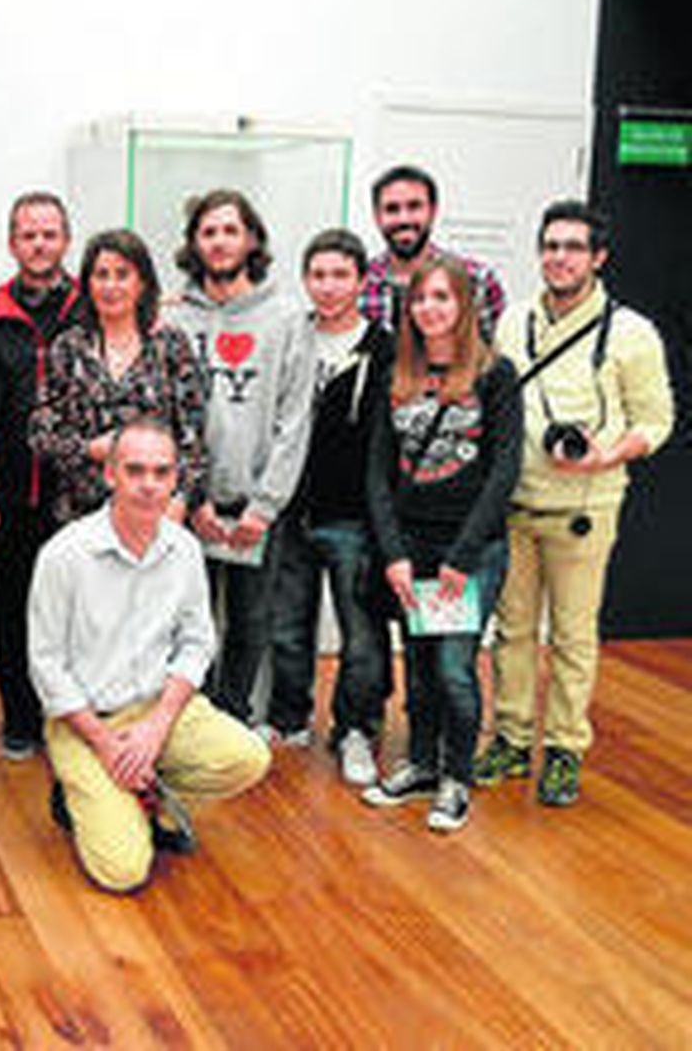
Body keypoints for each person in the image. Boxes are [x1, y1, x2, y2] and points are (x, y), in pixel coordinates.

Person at [477, 201, 674, 805]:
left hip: (584, 509)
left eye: (572, 247)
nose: (559, 257)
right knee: (510, 631)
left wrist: (605, 456)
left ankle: (563, 749)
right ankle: (510, 737)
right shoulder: (513, 321)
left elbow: (656, 419)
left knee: (572, 636)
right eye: (550, 246)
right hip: (516, 503)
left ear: (598, 257)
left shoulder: (631, 333)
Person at [27, 419, 269, 893]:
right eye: (134, 471)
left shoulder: (183, 550)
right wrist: (104, 742)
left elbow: (197, 643)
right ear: (109, 476)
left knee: (249, 758)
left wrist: (156, 728)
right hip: (88, 722)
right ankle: (82, 790)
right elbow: (47, 665)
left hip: (161, 711)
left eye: (162, 472)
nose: (149, 485)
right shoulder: (65, 555)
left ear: (177, 479)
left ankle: (144, 791)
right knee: (123, 872)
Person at [362, 257, 522, 833]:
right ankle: (422, 764)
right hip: (411, 547)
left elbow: (505, 470)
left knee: (455, 666)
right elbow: (378, 475)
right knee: (421, 666)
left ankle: (457, 775)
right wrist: (394, 554)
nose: (430, 308)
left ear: (464, 305)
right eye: (420, 299)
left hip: (470, 551)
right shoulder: (397, 376)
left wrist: (460, 558)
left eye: (441, 297)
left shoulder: (494, 375)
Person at [167, 189, 316, 725]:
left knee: (252, 621)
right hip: (192, 506)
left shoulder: (286, 319)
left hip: (258, 508)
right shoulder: (177, 321)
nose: (220, 241)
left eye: (231, 230)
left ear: (251, 239)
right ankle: (191, 722)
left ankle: (231, 718)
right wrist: (194, 496)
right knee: (189, 620)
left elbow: (294, 420)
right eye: (208, 231)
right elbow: (171, 417)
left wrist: (264, 506)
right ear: (194, 243)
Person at [264, 229, 395, 784]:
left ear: (361, 280)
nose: (328, 285)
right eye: (317, 274)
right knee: (288, 629)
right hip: (293, 510)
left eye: (340, 274)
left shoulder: (384, 347)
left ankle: (355, 731)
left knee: (361, 636)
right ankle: (289, 719)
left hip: (355, 518)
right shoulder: (292, 338)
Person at [0, 191, 81, 759]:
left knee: (79, 615)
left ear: (65, 240)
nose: (39, 244)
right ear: (13, 243)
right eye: (28, 234)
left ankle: (77, 722)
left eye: (49, 233)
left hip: (79, 496)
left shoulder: (92, 305)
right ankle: (20, 721)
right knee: (12, 610)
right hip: (9, 494)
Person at [28, 228, 208, 527]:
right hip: (81, 518)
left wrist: (181, 500)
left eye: (122, 275)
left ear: (142, 283)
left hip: (157, 517)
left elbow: (194, 439)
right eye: (101, 275)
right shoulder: (68, 347)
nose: (111, 286)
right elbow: (40, 434)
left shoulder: (170, 345)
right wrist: (88, 449)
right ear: (87, 284)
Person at [359, 164, 507, 339]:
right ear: (377, 216)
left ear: (433, 211)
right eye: (392, 209)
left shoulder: (476, 280)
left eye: (414, 207)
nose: (403, 219)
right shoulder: (358, 286)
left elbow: (492, 357)